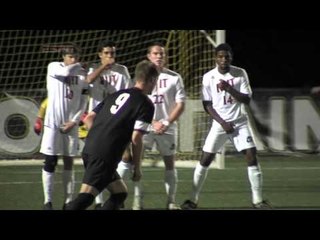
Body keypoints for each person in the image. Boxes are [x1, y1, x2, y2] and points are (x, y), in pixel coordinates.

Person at [181, 43, 272, 210]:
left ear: (231, 57)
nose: (224, 59)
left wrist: (229, 88)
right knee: (205, 160)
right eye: (220, 56)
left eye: (227, 56)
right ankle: (192, 200)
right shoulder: (208, 77)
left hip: (239, 122)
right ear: (215, 58)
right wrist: (222, 122)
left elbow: (246, 100)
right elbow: (207, 104)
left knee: (251, 155)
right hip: (219, 124)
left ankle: (257, 201)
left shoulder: (240, 73)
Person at [64, 60, 158, 210]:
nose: (155, 85)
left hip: (90, 147)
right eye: (155, 81)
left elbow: (89, 118)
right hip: (104, 154)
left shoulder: (116, 95)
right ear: (152, 80)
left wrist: (101, 136)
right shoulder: (145, 103)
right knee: (85, 198)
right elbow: (136, 138)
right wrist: (137, 168)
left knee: (119, 194)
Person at [116, 42, 186, 210]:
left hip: (166, 128)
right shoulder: (140, 78)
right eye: (155, 53)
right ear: (148, 56)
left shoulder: (174, 77)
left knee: (170, 163)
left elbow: (180, 104)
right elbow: (134, 101)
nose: (159, 56)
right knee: (134, 161)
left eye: (162, 53)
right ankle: (136, 201)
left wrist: (166, 122)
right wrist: (152, 121)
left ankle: (170, 201)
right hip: (143, 125)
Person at [39, 44, 88, 210]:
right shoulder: (54, 66)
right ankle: (48, 201)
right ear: (64, 57)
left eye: (76, 57)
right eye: (70, 57)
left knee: (69, 161)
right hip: (53, 122)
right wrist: (79, 66)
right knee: (50, 160)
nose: (73, 59)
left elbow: (84, 100)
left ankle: (68, 202)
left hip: (71, 124)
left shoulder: (82, 75)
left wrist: (75, 121)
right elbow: (67, 72)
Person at [86, 40, 133, 209]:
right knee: (99, 160)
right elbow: (88, 80)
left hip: (117, 120)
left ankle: (116, 196)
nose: (110, 56)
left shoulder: (122, 71)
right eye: (106, 53)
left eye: (112, 53)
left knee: (125, 156)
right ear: (100, 55)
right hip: (98, 120)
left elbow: (129, 94)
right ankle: (99, 202)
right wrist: (102, 67)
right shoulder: (93, 69)